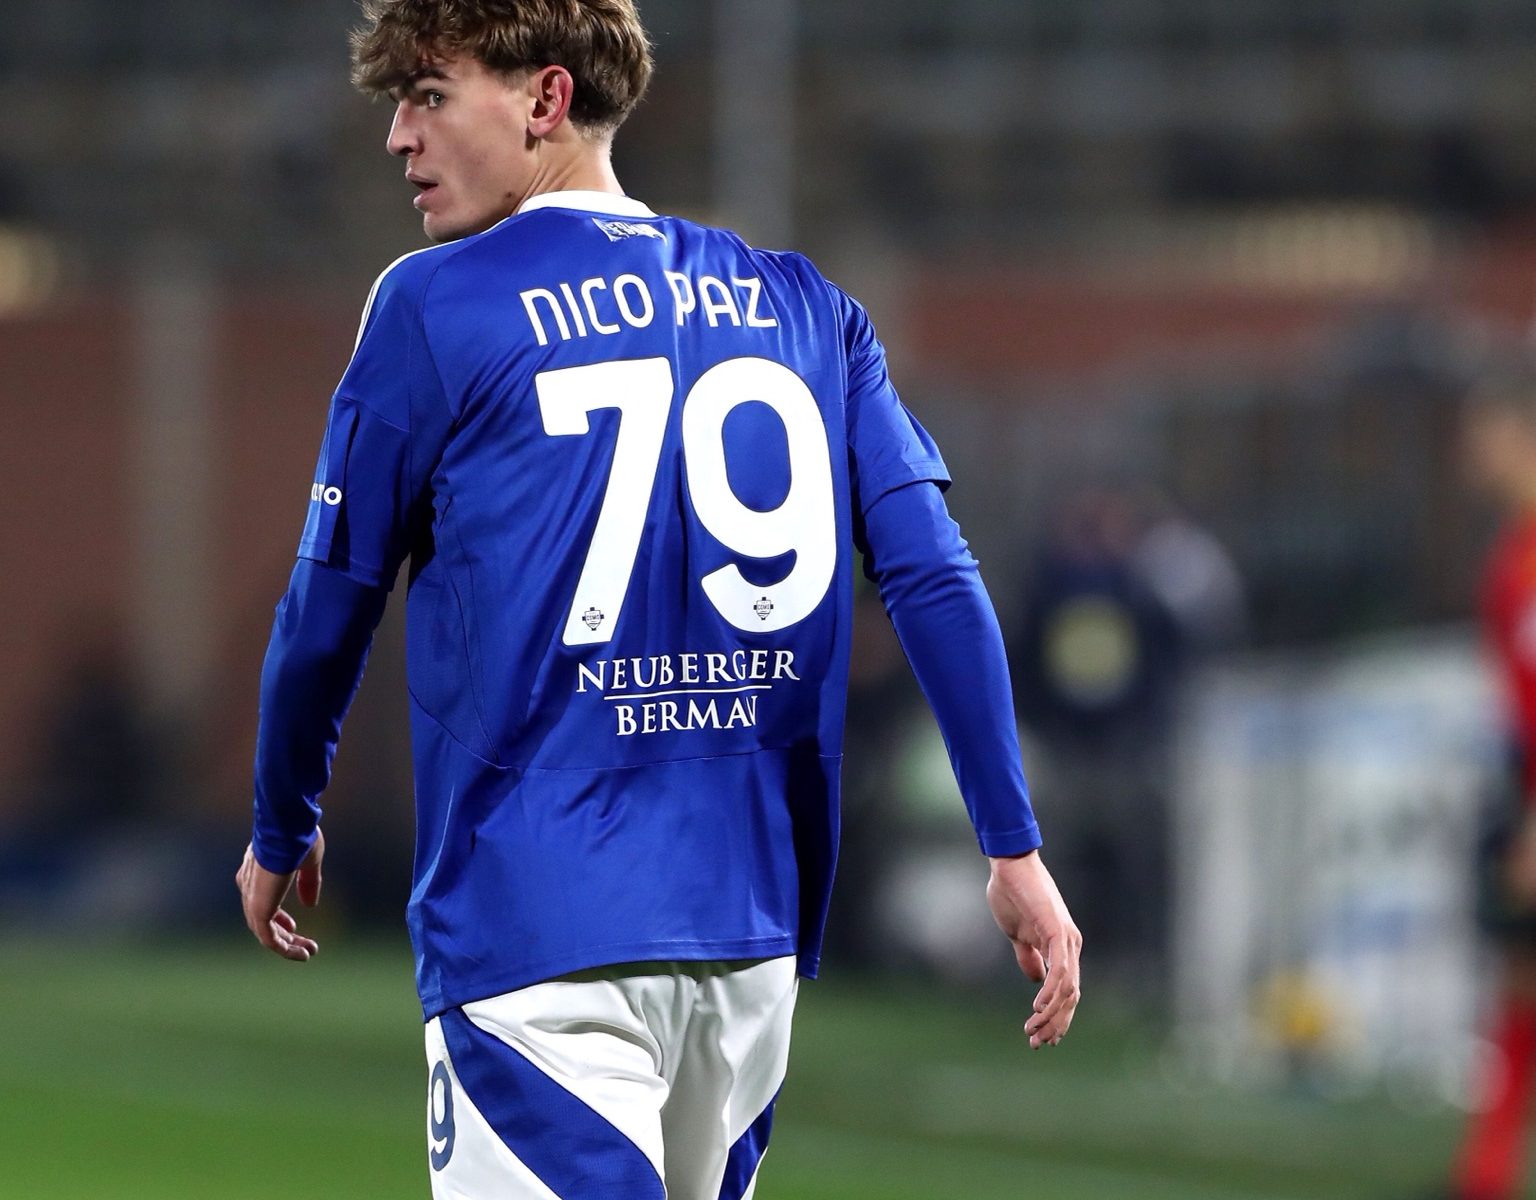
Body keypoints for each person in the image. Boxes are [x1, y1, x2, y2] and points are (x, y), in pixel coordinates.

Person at [235, 2, 1082, 1194]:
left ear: (542, 100)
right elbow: (935, 576)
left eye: (427, 96)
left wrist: (281, 820)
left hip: (539, 922)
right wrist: (1011, 843)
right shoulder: (805, 307)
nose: (396, 140)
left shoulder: (434, 304)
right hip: (747, 941)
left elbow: (327, 606)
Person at [1449, 358, 1536, 1200]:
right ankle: (1483, 1175)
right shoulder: (1511, 554)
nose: (1475, 454)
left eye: (1488, 435)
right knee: (1516, 993)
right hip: (1522, 788)